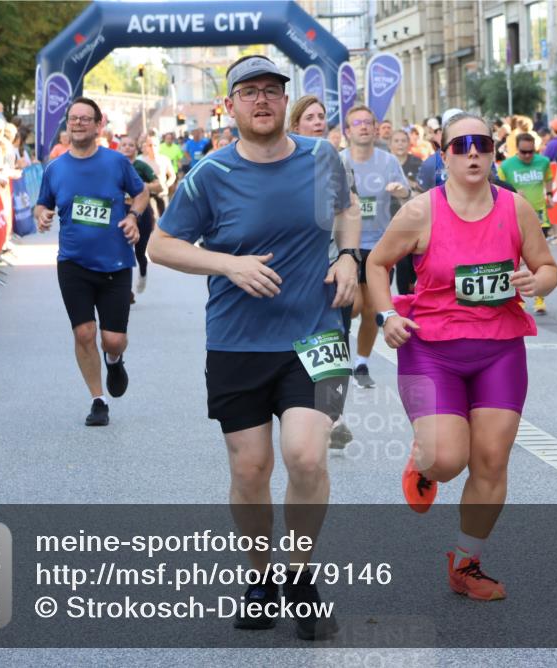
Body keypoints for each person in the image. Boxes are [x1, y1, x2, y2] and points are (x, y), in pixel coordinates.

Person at [147, 54, 359, 641]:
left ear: (285, 101)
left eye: (272, 90)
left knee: (308, 457)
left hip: (317, 335)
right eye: (249, 92)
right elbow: (162, 247)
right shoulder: (209, 175)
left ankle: (300, 576)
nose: (262, 100)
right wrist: (227, 264)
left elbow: (347, 211)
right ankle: (261, 577)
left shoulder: (322, 157)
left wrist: (348, 256)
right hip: (237, 342)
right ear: (232, 105)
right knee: (250, 468)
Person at [365, 112, 557, 601]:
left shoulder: (515, 209)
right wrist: (385, 315)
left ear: (494, 152)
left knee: (491, 459)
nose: (473, 153)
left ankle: (466, 563)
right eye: (461, 145)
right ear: (443, 154)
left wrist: (539, 281)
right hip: (430, 351)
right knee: (449, 458)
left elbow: (548, 266)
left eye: (483, 144)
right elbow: (376, 263)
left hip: (499, 350)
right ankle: (425, 463)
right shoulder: (419, 212)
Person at [34, 97, 148, 427]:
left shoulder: (116, 163)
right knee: (84, 333)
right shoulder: (55, 168)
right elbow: (42, 205)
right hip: (72, 263)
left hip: (115, 262)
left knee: (113, 338)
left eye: (86, 119)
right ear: (68, 124)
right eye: (74, 118)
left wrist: (133, 216)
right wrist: (42, 216)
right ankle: (98, 400)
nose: (79, 123)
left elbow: (140, 194)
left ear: (98, 126)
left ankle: (114, 359)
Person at [289, 94, 359, 450]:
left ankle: (335, 415)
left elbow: (352, 207)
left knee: (337, 337)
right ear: (295, 126)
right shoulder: (283, 163)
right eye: (310, 118)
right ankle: (298, 409)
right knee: (298, 341)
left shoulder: (337, 162)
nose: (318, 122)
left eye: (321, 117)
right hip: (295, 269)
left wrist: (349, 256)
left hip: (333, 264)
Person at [341, 105, 410, 389]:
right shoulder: (338, 161)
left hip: (379, 246)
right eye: (357, 123)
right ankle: (341, 360)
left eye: (368, 122)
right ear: (347, 131)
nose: (364, 126)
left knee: (372, 310)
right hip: (347, 245)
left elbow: (407, 193)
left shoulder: (388, 161)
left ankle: (361, 364)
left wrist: (399, 189)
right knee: (352, 304)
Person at [500, 132, 554, 315]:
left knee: (537, 259)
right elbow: (499, 188)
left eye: (531, 152)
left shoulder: (543, 162)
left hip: (539, 215)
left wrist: (550, 195)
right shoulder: (506, 166)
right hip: (515, 217)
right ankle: (517, 296)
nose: (528, 156)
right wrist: (514, 196)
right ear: (517, 149)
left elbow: (548, 179)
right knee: (514, 259)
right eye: (524, 152)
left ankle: (539, 296)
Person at [117, 135, 161, 300]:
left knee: (140, 252)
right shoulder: (114, 165)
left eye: (130, 145)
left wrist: (139, 187)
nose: (127, 148)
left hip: (142, 211)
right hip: (121, 211)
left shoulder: (141, 166)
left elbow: (158, 185)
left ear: (136, 149)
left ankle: (143, 272)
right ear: (119, 148)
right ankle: (126, 290)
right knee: (123, 250)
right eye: (124, 145)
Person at [389, 128, 424, 295]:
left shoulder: (417, 163)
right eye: (396, 141)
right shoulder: (385, 163)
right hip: (392, 220)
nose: (400, 144)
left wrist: (406, 186)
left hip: (414, 219)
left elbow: (423, 190)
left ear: (409, 143)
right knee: (401, 262)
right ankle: (403, 299)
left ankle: (415, 292)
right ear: (390, 144)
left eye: (403, 140)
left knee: (414, 262)